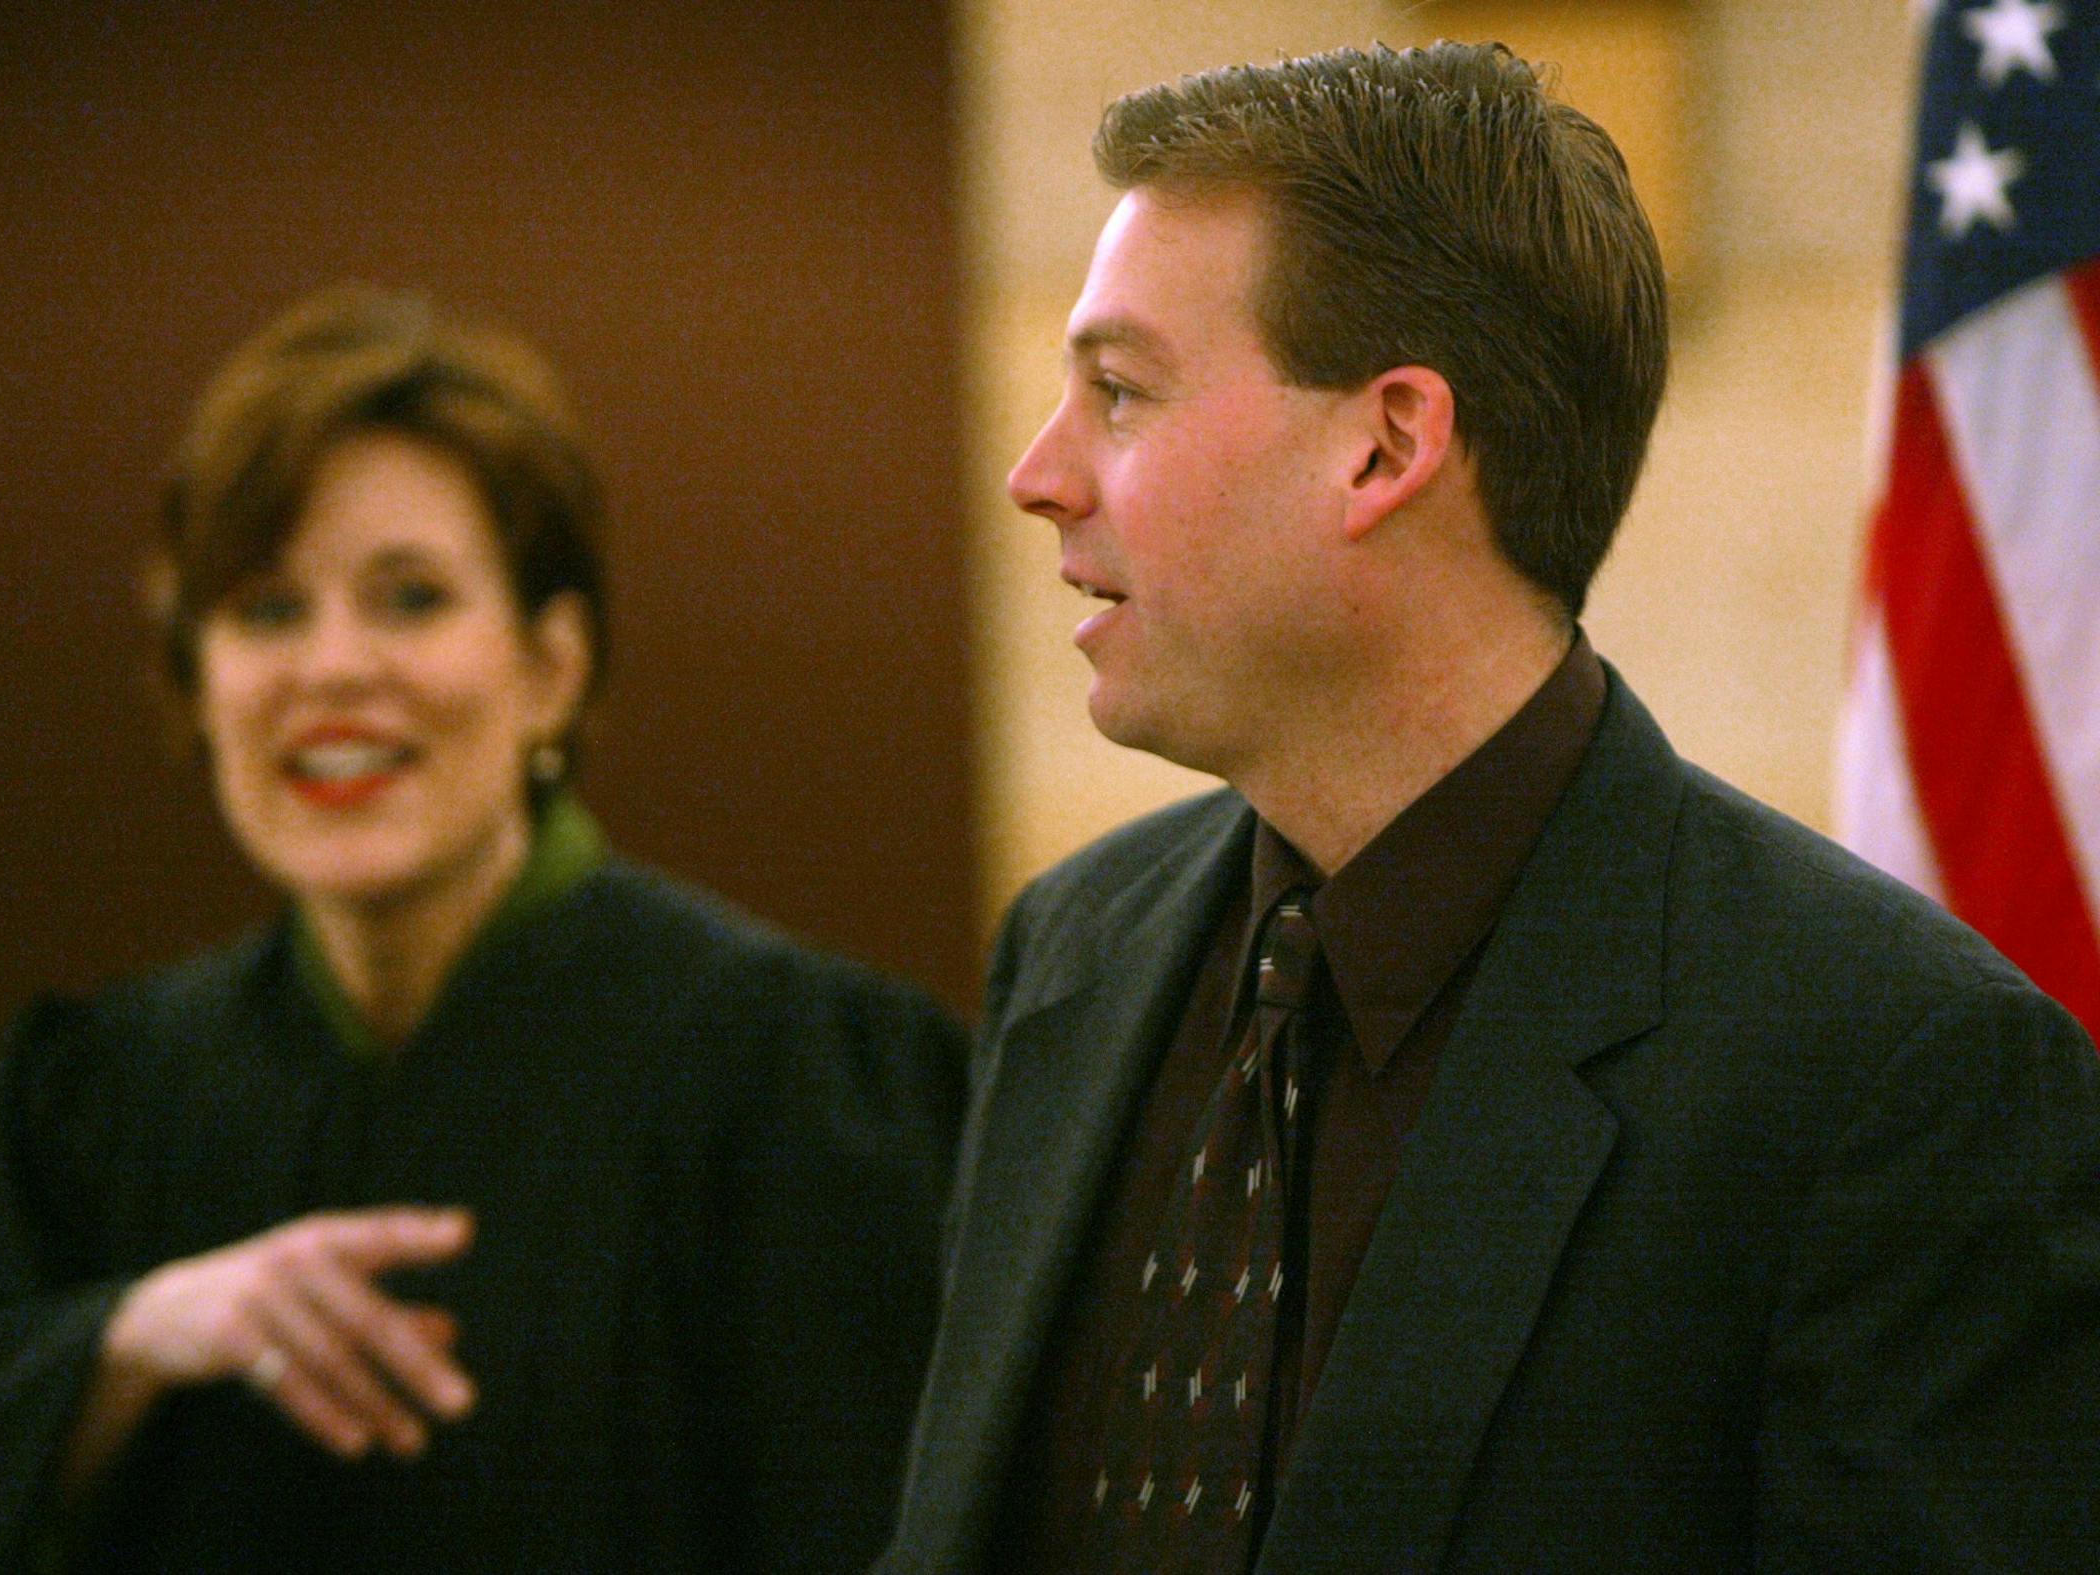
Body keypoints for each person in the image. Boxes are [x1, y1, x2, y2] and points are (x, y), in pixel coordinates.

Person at [879, 40, 2100, 1574]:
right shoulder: (1075, 952)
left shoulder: (1893, 1076)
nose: (1039, 474)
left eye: (1119, 392)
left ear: (1385, 445)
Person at [0, 285, 967, 1574]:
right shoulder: (86, 1102)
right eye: (264, 609)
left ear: (553, 664)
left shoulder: (795, 1074)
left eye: (410, 598)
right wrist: (127, 1338)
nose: (331, 670)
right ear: (196, 681)